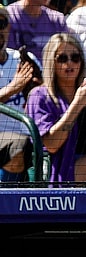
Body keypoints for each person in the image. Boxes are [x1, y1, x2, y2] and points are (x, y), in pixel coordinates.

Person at [25, 34, 86, 184]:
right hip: (64, 170)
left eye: (75, 57)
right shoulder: (39, 96)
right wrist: (77, 104)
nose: (69, 63)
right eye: (62, 58)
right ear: (51, 63)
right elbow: (51, 144)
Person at [0, 5, 40, 183]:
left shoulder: (23, 59)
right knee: (17, 149)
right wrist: (12, 89)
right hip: (8, 139)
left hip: (30, 136)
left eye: (1, 23)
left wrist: (37, 89)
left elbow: (45, 95)